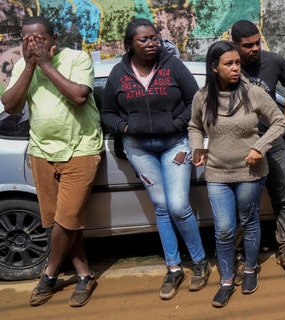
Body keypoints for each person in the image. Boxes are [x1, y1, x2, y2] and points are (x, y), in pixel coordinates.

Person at [100, 18, 210, 300]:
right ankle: (174, 268)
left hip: (175, 145)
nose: (151, 44)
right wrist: (125, 128)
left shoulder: (172, 66)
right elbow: (107, 113)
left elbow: (195, 101)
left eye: (154, 38)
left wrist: (177, 123)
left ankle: (200, 262)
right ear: (130, 44)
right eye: (144, 40)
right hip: (139, 148)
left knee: (177, 204)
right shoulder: (118, 73)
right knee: (161, 205)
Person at [2, 16, 104, 307]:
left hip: (80, 148)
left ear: (53, 38)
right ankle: (84, 275)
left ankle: (49, 273)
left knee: (67, 218)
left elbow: (79, 96)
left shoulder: (77, 59)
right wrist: (31, 66)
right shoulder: (23, 66)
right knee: (61, 221)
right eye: (26, 40)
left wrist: (45, 63)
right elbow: (10, 105)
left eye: (39, 40)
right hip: (41, 152)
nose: (33, 45)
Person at [188, 40, 285, 308]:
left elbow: (280, 121)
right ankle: (227, 281)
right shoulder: (203, 96)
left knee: (249, 219)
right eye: (228, 63)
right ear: (214, 67)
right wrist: (197, 147)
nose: (235, 68)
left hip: (250, 171)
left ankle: (252, 269)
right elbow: (194, 126)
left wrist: (260, 146)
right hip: (217, 172)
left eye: (237, 63)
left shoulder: (253, 93)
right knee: (224, 228)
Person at [230, 19, 285, 280]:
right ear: (235, 45)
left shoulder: (274, 61)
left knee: (281, 196)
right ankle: (241, 255)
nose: (255, 48)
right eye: (248, 45)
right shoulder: (228, 66)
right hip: (242, 146)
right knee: (244, 203)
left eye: (257, 42)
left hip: (272, 142)